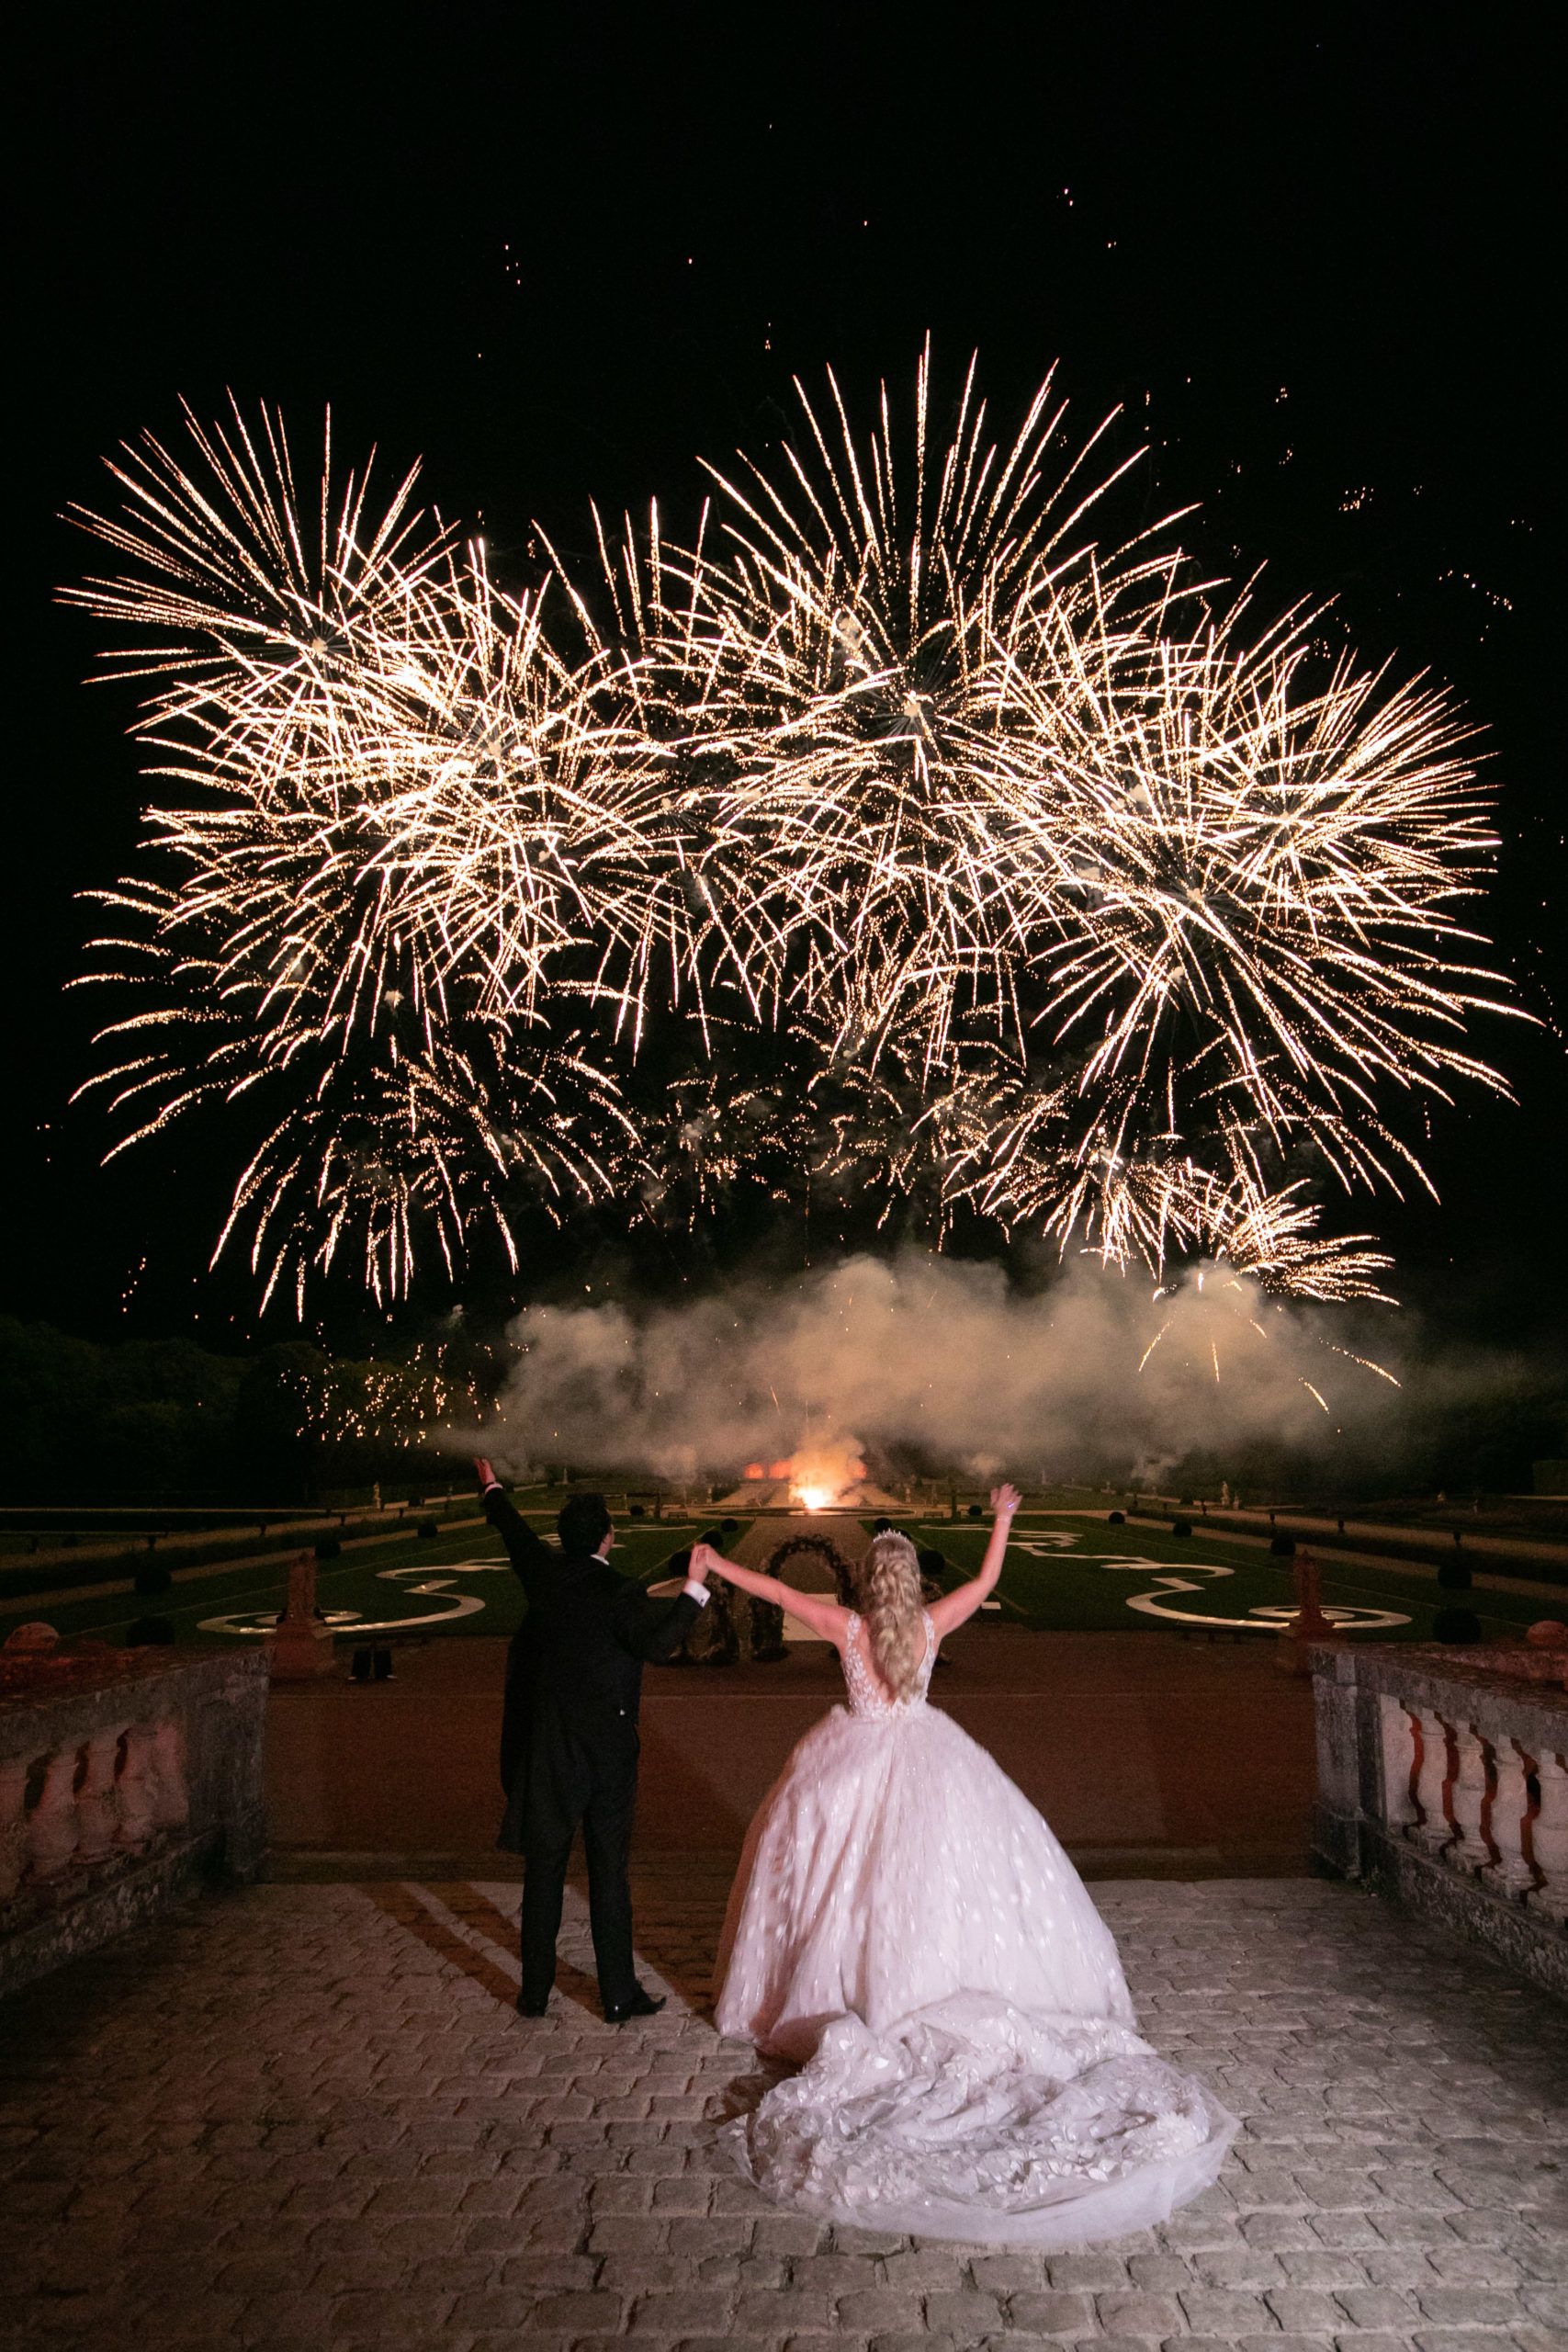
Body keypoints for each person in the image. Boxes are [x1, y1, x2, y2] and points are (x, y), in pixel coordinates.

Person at [689, 1487, 1236, 2246]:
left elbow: (778, 1589)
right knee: (941, 1888)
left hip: (852, 1764)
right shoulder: (927, 1625)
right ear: (910, 1583)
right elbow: (981, 1585)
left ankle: (857, 1991)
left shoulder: (846, 1627)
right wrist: (1003, 1517)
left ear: (862, 1582)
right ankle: (924, 1989)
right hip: (930, 1761)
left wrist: (715, 1561)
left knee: (841, 1888)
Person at [474, 1457, 711, 2022]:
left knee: (545, 1872)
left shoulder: (544, 1575)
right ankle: (616, 1994)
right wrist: (695, 1590)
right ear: (609, 1536)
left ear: (565, 1538)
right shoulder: (622, 1591)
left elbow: (513, 1529)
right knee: (608, 1874)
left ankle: (534, 1993)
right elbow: (658, 1646)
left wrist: (491, 1487)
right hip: (608, 1747)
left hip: (551, 1745)